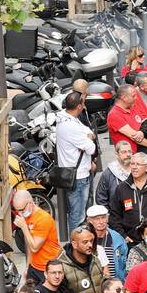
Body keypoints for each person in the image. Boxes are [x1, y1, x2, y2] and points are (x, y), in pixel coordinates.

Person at [55, 91, 97, 229]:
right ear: (79, 106)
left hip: (75, 173)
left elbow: (86, 130)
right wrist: (89, 138)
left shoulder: (65, 118)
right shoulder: (70, 126)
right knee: (77, 215)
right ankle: (76, 245)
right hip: (78, 177)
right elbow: (91, 148)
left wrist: (87, 137)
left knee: (79, 212)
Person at [12, 189, 60, 286]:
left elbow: (34, 247)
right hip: (34, 267)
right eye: (17, 211)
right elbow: (29, 245)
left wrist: (24, 227)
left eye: (22, 210)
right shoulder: (27, 216)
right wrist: (27, 267)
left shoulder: (43, 218)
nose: (20, 214)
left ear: (30, 203)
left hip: (47, 268)